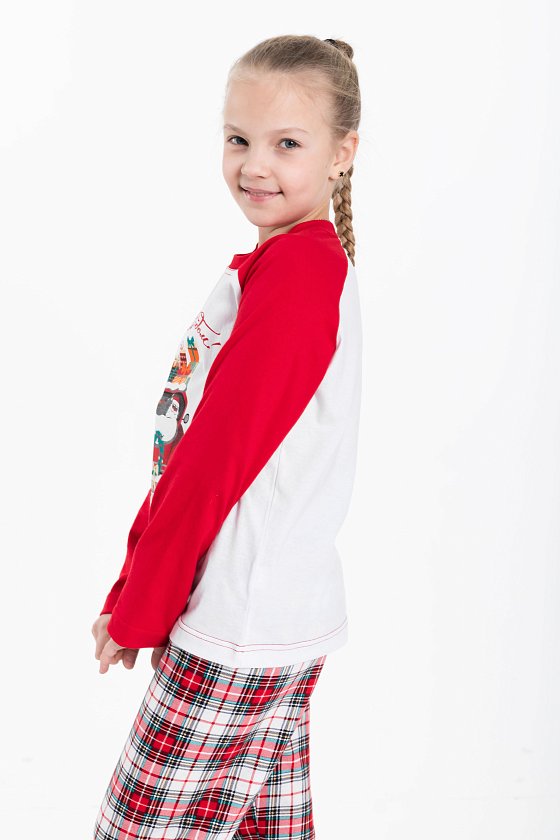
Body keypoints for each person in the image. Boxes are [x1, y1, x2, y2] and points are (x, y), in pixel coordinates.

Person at [91, 33, 362, 840]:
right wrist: (137, 584)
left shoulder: (301, 275)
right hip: (269, 618)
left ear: (342, 153)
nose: (255, 165)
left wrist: (143, 602)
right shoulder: (285, 266)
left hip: (236, 624)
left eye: (287, 144)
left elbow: (214, 463)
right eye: (239, 138)